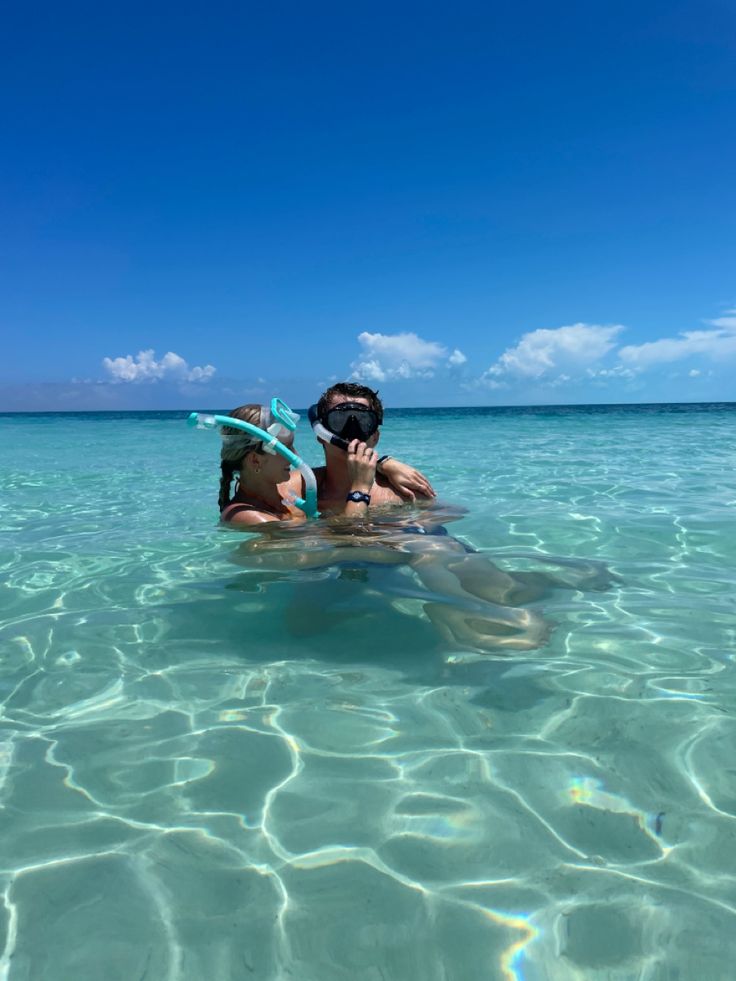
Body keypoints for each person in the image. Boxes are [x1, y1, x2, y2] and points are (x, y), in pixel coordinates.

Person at [219, 403, 380, 527]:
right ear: (255, 460)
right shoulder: (249, 517)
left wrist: (384, 464)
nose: (295, 455)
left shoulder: (288, 497)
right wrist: (359, 489)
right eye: (287, 448)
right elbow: (351, 540)